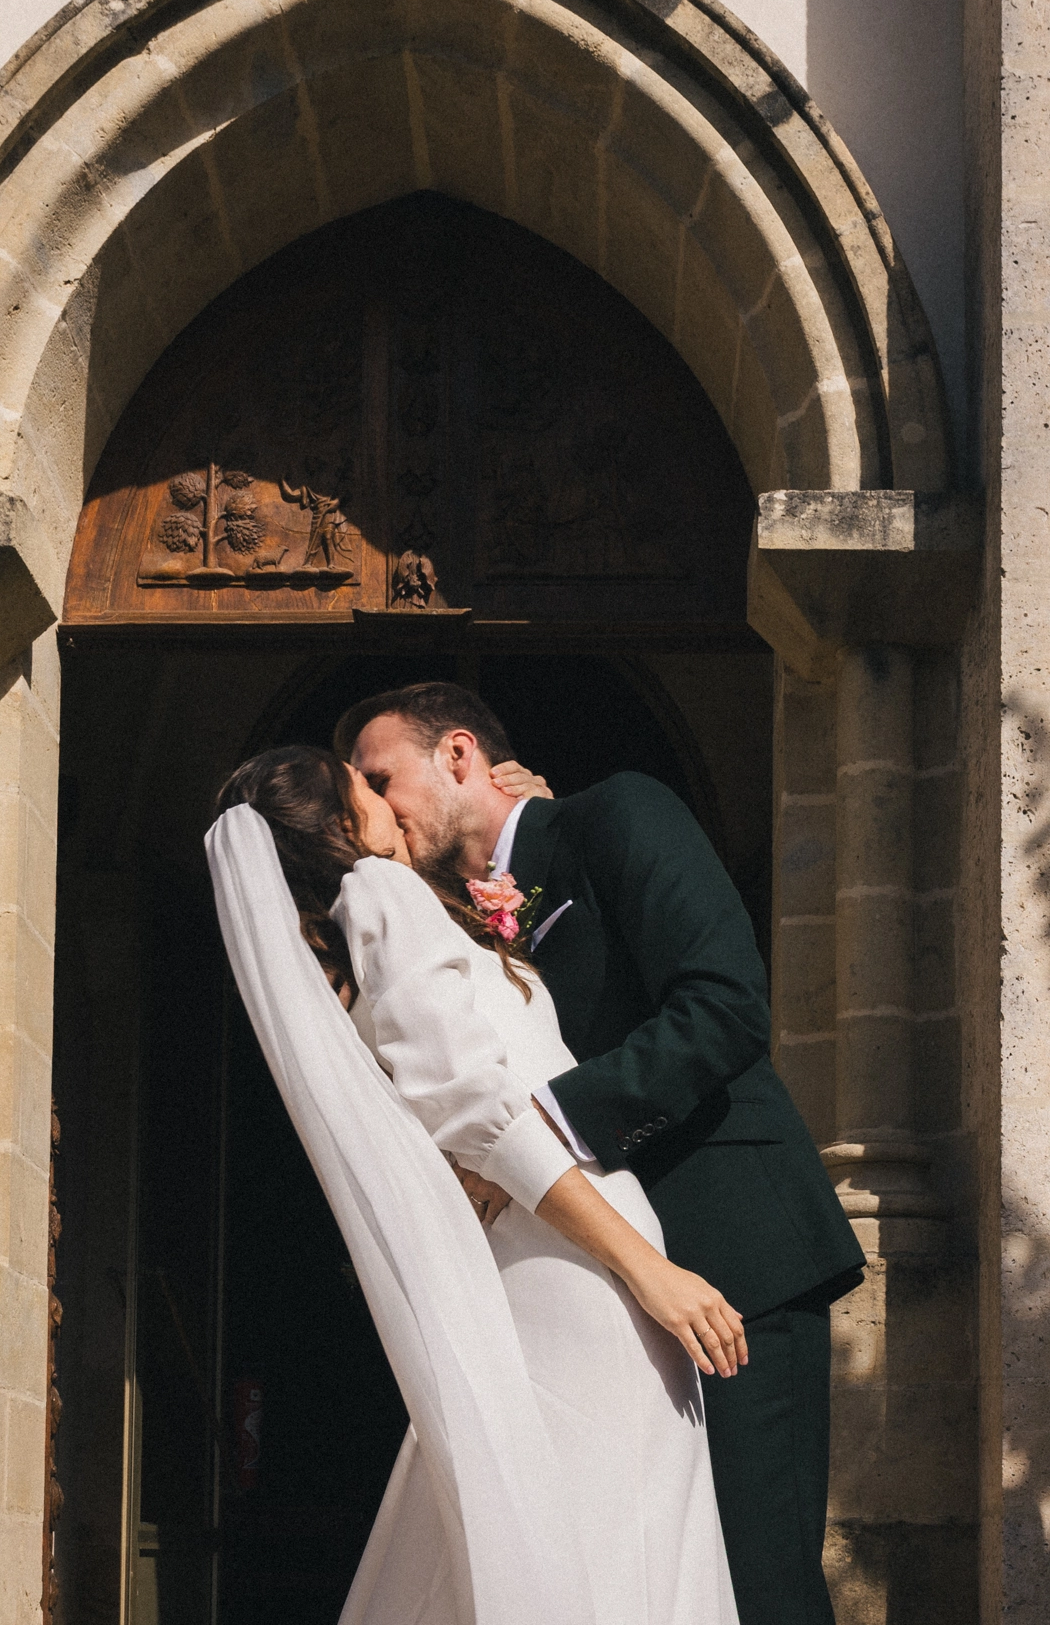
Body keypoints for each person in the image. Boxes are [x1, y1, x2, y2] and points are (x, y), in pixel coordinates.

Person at [334, 683, 866, 1625]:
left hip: (731, 1254)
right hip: (591, 1303)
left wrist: (537, 1131)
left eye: (383, 776)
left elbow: (724, 1005)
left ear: (459, 755)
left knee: (757, 1582)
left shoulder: (617, 813)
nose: (373, 804)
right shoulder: (435, 918)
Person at [210, 744, 740, 1625]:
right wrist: (649, 1268)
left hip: (560, 1256)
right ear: (345, 823)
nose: (389, 798)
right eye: (368, 785)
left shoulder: (380, 917)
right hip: (578, 1267)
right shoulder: (379, 896)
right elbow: (478, 1110)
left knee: (586, 1539)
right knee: (617, 1547)